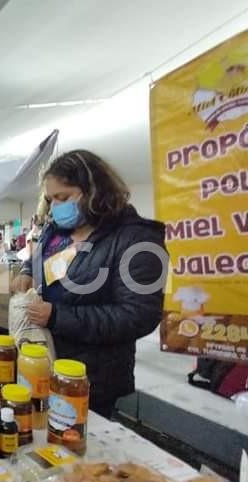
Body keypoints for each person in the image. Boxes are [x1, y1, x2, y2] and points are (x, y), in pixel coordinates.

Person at [12, 150, 166, 418]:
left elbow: (139, 315)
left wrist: (59, 316)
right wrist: (27, 270)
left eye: (64, 197)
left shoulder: (136, 239)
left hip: (93, 375)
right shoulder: (57, 230)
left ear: (95, 190)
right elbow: (38, 259)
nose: (56, 207)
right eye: (51, 200)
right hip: (44, 360)